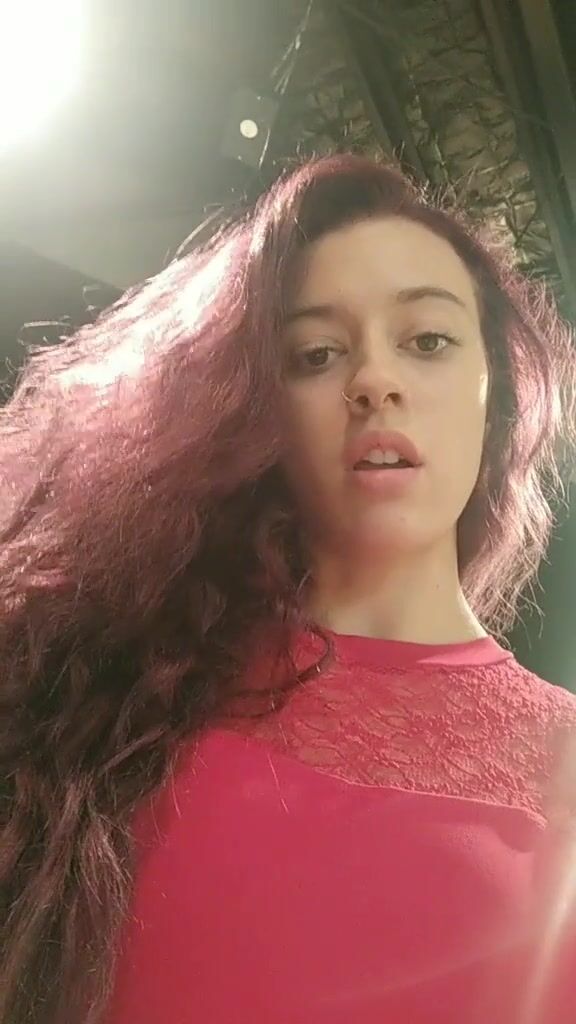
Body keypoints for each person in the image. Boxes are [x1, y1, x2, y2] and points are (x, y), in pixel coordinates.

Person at [1, 153, 576, 1024]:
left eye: (427, 341)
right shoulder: (116, 697)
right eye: (316, 354)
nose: (374, 382)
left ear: (494, 393)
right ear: (261, 410)